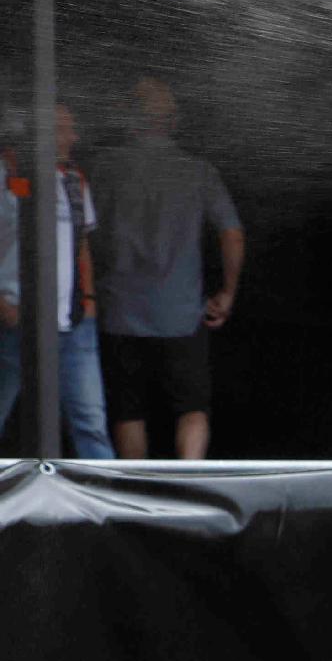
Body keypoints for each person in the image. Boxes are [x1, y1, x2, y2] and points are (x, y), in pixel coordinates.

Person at [97, 78, 243, 460]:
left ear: (129, 119)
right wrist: (227, 293)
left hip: (120, 313)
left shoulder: (105, 169)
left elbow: (81, 232)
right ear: (173, 121)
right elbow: (233, 234)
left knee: (129, 412)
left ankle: (137, 494)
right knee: (192, 408)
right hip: (181, 315)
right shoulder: (199, 172)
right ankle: (190, 481)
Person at [0, 105, 107, 457]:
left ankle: (110, 508)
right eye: (64, 129)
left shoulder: (73, 179)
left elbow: (83, 244)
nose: (73, 137)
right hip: (16, 321)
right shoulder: (6, 171)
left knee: (91, 424)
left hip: (72, 324)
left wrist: (89, 301)